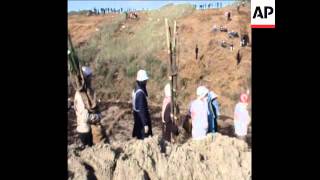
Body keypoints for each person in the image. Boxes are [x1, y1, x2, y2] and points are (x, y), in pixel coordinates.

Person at [74, 66, 104, 148]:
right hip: (85, 131)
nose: (91, 79)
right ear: (86, 78)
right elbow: (85, 117)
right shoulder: (81, 95)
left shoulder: (84, 93)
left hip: (86, 129)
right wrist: (97, 116)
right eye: (90, 77)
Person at [132, 70, 153, 139]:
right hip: (141, 122)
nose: (146, 82)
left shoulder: (136, 88)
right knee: (144, 140)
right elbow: (142, 110)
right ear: (142, 81)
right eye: (145, 80)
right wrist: (145, 124)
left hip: (137, 119)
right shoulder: (140, 93)